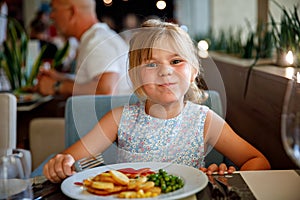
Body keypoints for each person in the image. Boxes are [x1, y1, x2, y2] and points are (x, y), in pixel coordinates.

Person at [43, 19, 270, 183]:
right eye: (151, 64)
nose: (165, 72)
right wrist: (61, 164)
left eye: (176, 61)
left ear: (193, 72)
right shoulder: (119, 118)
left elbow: (258, 160)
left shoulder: (205, 121)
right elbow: (69, 158)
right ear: (136, 75)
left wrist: (227, 179)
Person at [37, 0, 131, 96]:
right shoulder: (97, 37)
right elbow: (91, 82)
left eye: (54, 10)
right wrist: (61, 78)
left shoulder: (97, 41)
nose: (51, 16)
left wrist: (57, 86)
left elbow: (106, 90)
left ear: (72, 12)